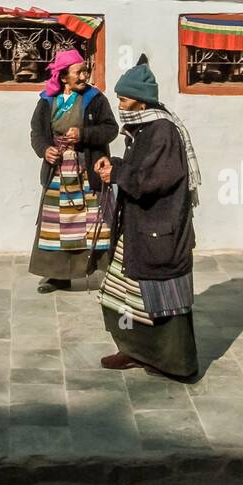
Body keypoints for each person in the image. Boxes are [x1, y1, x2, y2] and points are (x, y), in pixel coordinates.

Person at [94, 57, 201, 381]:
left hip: (159, 229)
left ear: (141, 100)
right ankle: (134, 349)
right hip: (138, 228)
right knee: (121, 294)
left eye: (123, 98)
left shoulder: (162, 130)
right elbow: (138, 170)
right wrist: (114, 165)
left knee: (163, 301)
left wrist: (119, 172)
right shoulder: (143, 129)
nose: (120, 104)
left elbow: (157, 179)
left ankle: (175, 363)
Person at [29, 48, 118, 293]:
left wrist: (84, 135)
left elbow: (111, 129)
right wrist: (45, 149)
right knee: (58, 225)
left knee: (93, 222)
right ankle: (58, 276)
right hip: (58, 171)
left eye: (85, 71)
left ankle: (106, 274)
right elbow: (36, 132)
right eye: (78, 72)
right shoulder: (47, 100)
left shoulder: (96, 99)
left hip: (87, 169)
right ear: (63, 77)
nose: (83, 77)